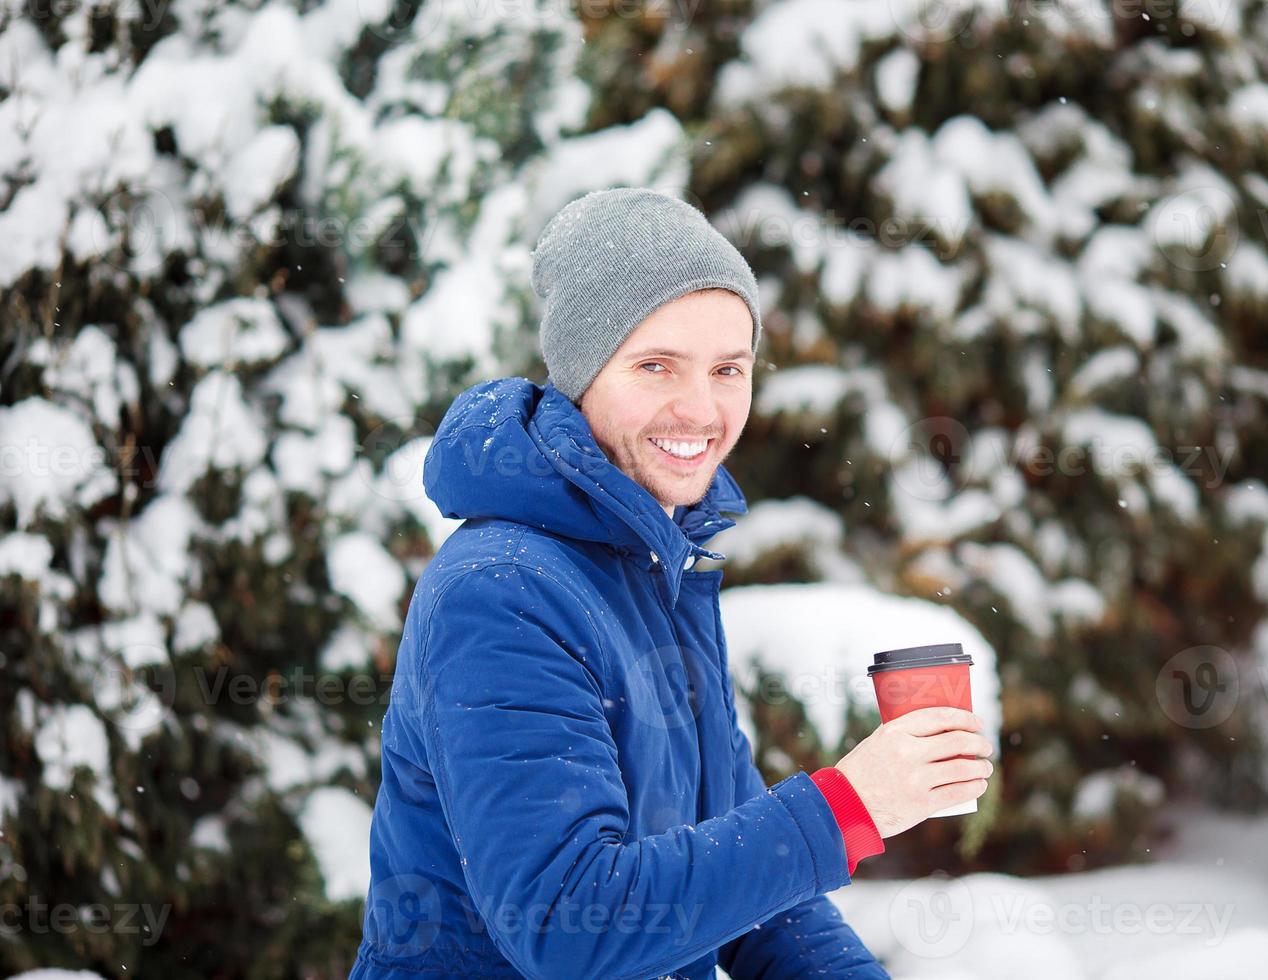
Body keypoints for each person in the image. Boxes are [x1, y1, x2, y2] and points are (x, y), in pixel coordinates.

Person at [349, 187, 994, 979]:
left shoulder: (658, 576)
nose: (701, 407)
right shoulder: (502, 594)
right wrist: (849, 806)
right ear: (584, 374)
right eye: (656, 365)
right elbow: (569, 924)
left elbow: (760, 901)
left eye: (730, 368)